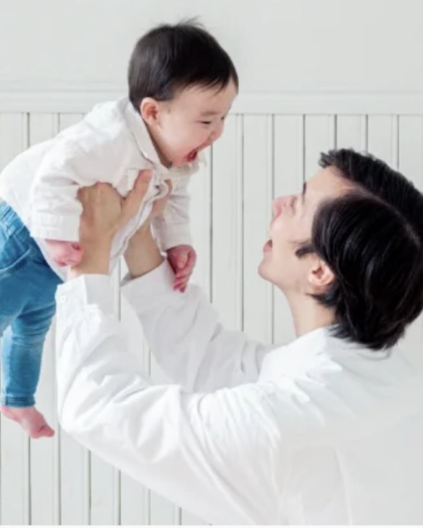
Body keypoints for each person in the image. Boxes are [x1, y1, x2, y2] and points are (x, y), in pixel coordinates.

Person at [55, 149, 423, 523]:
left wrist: (91, 251)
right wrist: (137, 232)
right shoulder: (383, 375)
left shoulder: (285, 416)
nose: (279, 203)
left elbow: (96, 410)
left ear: (319, 271)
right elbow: (209, 358)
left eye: (297, 204)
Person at [0, 20, 238, 459]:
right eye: (207, 120)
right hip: (20, 235)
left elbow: (173, 199)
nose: (217, 132)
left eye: (224, 118)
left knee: (31, 331)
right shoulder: (108, 137)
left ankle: (17, 399)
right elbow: (55, 171)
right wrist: (55, 232)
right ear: (153, 112)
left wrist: (177, 242)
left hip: (60, 260)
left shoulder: (174, 155)